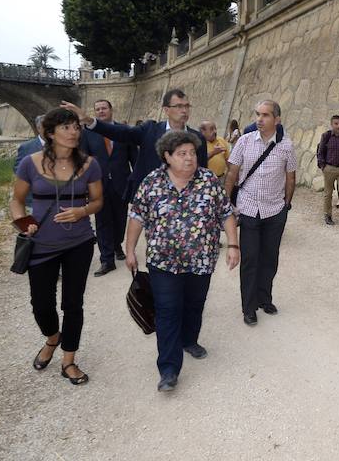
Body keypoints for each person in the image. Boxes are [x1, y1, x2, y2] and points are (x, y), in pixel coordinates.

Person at [125, 131, 240, 392]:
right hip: (163, 262)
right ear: (167, 156)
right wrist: (130, 249)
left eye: (192, 153)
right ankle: (168, 369)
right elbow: (137, 216)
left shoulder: (208, 179)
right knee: (167, 310)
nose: (189, 159)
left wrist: (233, 245)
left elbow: (225, 213)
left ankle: (189, 340)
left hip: (201, 259)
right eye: (182, 154)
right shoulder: (152, 182)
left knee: (194, 303)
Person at [10, 108, 104, 385]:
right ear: (50, 133)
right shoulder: (30, 162)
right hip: (41, 244)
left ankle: (68, 360)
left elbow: (98, 201)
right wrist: (22, 222)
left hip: (79, 243)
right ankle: (52, 338)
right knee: (41, 304)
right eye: (66, 127)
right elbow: (17, 200)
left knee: (73, 304)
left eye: (76, 127)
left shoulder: (89, 164)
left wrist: (82, 212)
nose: (74, 131)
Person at [60, 89, 208, 201]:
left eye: (187, 106)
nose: (184, 110)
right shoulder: (150, 130)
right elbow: (121, 132)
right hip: (154, 198)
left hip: (187, 198)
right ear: (166, 110)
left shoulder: (197, 138)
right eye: (179, 106)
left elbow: (201, 171)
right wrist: (88, 120)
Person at [225, 100, 297, 326]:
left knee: (269, 258)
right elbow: (231, 174)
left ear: (277, 119)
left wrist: (286, 205)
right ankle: (249, 307)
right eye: (258, 114)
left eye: (265, 115)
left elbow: (290, 177)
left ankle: (265, 298)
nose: (259, 119)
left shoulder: (286, 145)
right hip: (248, 209)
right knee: (250, 259)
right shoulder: (244, 142)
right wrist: (226, 204)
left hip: (274, 211)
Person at [81, 99, 137, 277]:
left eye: (104, 108)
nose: (100, 111)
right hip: (98, 185)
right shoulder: (87, 134)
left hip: (122, 183)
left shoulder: (124, 131)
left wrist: (136, 181)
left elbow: (134, 158)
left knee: (120, 219)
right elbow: (83, 160)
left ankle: (116, 245)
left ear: (111, 110)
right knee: (103, 221)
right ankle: (107, 260)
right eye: (97, 109)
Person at [316, 115, 339, 227]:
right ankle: (328, 215)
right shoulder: (326, 136)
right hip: (329, 168)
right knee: (328, 193)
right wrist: (323, 166)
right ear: (332, 125)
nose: (338, 126)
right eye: (336, 124)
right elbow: (320, 152)